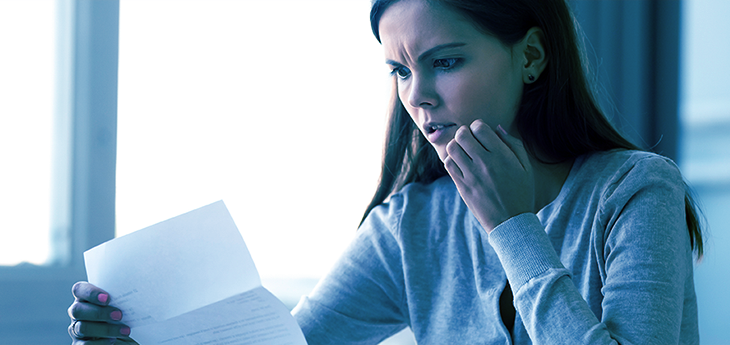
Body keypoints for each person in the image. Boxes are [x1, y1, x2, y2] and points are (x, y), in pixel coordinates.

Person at [68, 0, 703, 344]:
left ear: (531, 56)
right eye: (400, 71)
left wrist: (513, 228)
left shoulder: (635, 190)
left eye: (446, 61)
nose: (418, 95)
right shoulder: (412, 226)